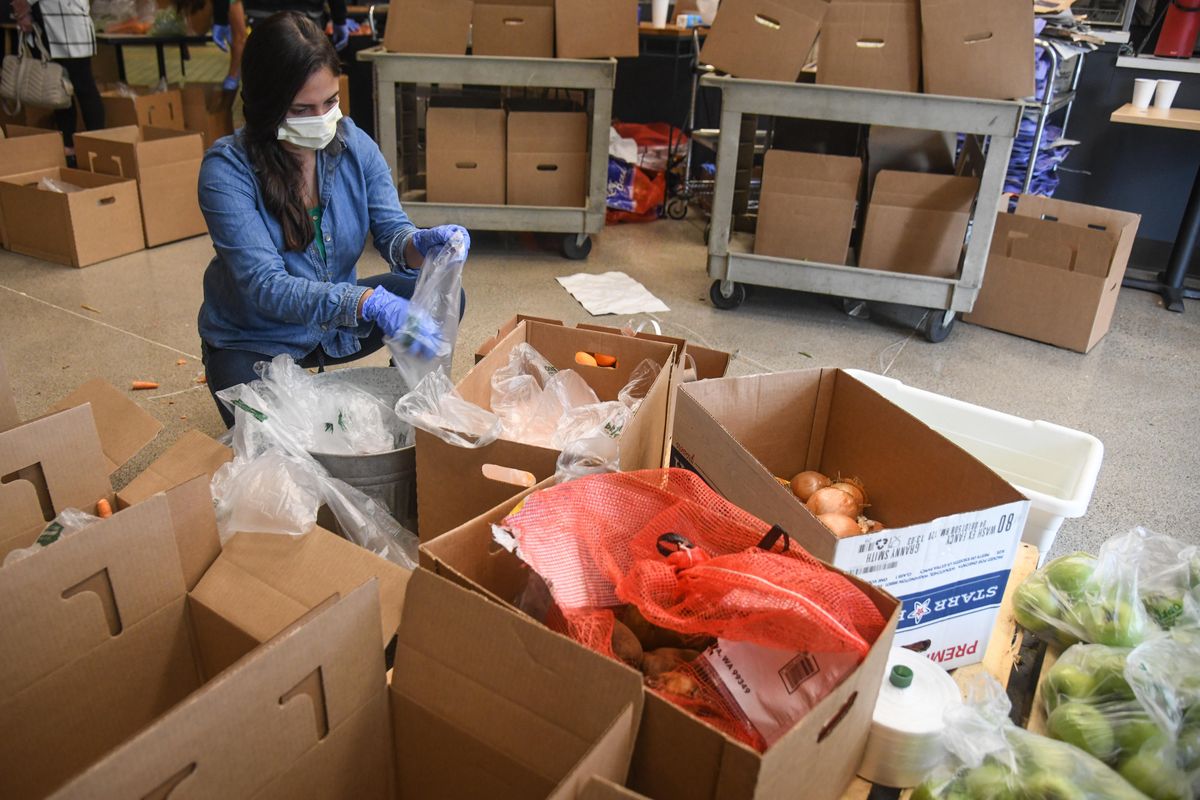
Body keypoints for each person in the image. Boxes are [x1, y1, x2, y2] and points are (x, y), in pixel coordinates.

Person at [197, 12, 468, 428]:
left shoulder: (352, 144)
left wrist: (422, 245)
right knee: (274, 446)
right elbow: (264, 287)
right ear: (267, 107)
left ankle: (409, 405)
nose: (322, 119)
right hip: (255, 337)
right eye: (302, 109)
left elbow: (393, 233)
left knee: (441, 296)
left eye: (330, 102)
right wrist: (364, 302)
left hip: (336, 327)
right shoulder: (227, 169)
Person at [11, 0, 104, 157]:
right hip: (46, 22)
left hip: (66, 21)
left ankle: (98, 147)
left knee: (83, 86)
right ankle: (69, 147)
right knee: (58, 89)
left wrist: (23, 6)